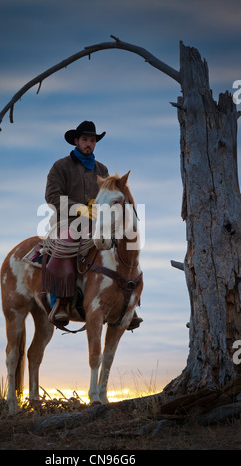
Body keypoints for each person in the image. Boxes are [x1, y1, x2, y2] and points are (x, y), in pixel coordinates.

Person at [45, 121, 142, 330]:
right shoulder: (60, 167)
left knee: (124, 246)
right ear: (76, 141)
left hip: (98, 221)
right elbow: (51, 196)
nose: (89, 144)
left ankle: (129, 302)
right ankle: (60, 302)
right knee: (65, 245)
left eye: (92, 140)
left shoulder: (102, 169)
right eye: (85, 140)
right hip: (67, 221)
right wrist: (78, 208)